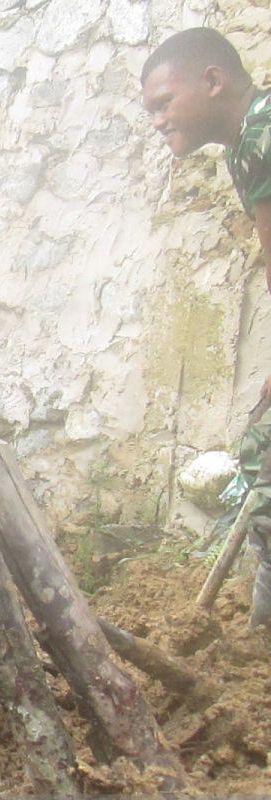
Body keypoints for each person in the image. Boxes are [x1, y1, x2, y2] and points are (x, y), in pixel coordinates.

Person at [142, 29, 271, 627]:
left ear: (213, 81)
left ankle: (258, 654)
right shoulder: (249, 139)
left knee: (264, 479)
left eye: (164, 102)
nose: (159, 120)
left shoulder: (261, 136)